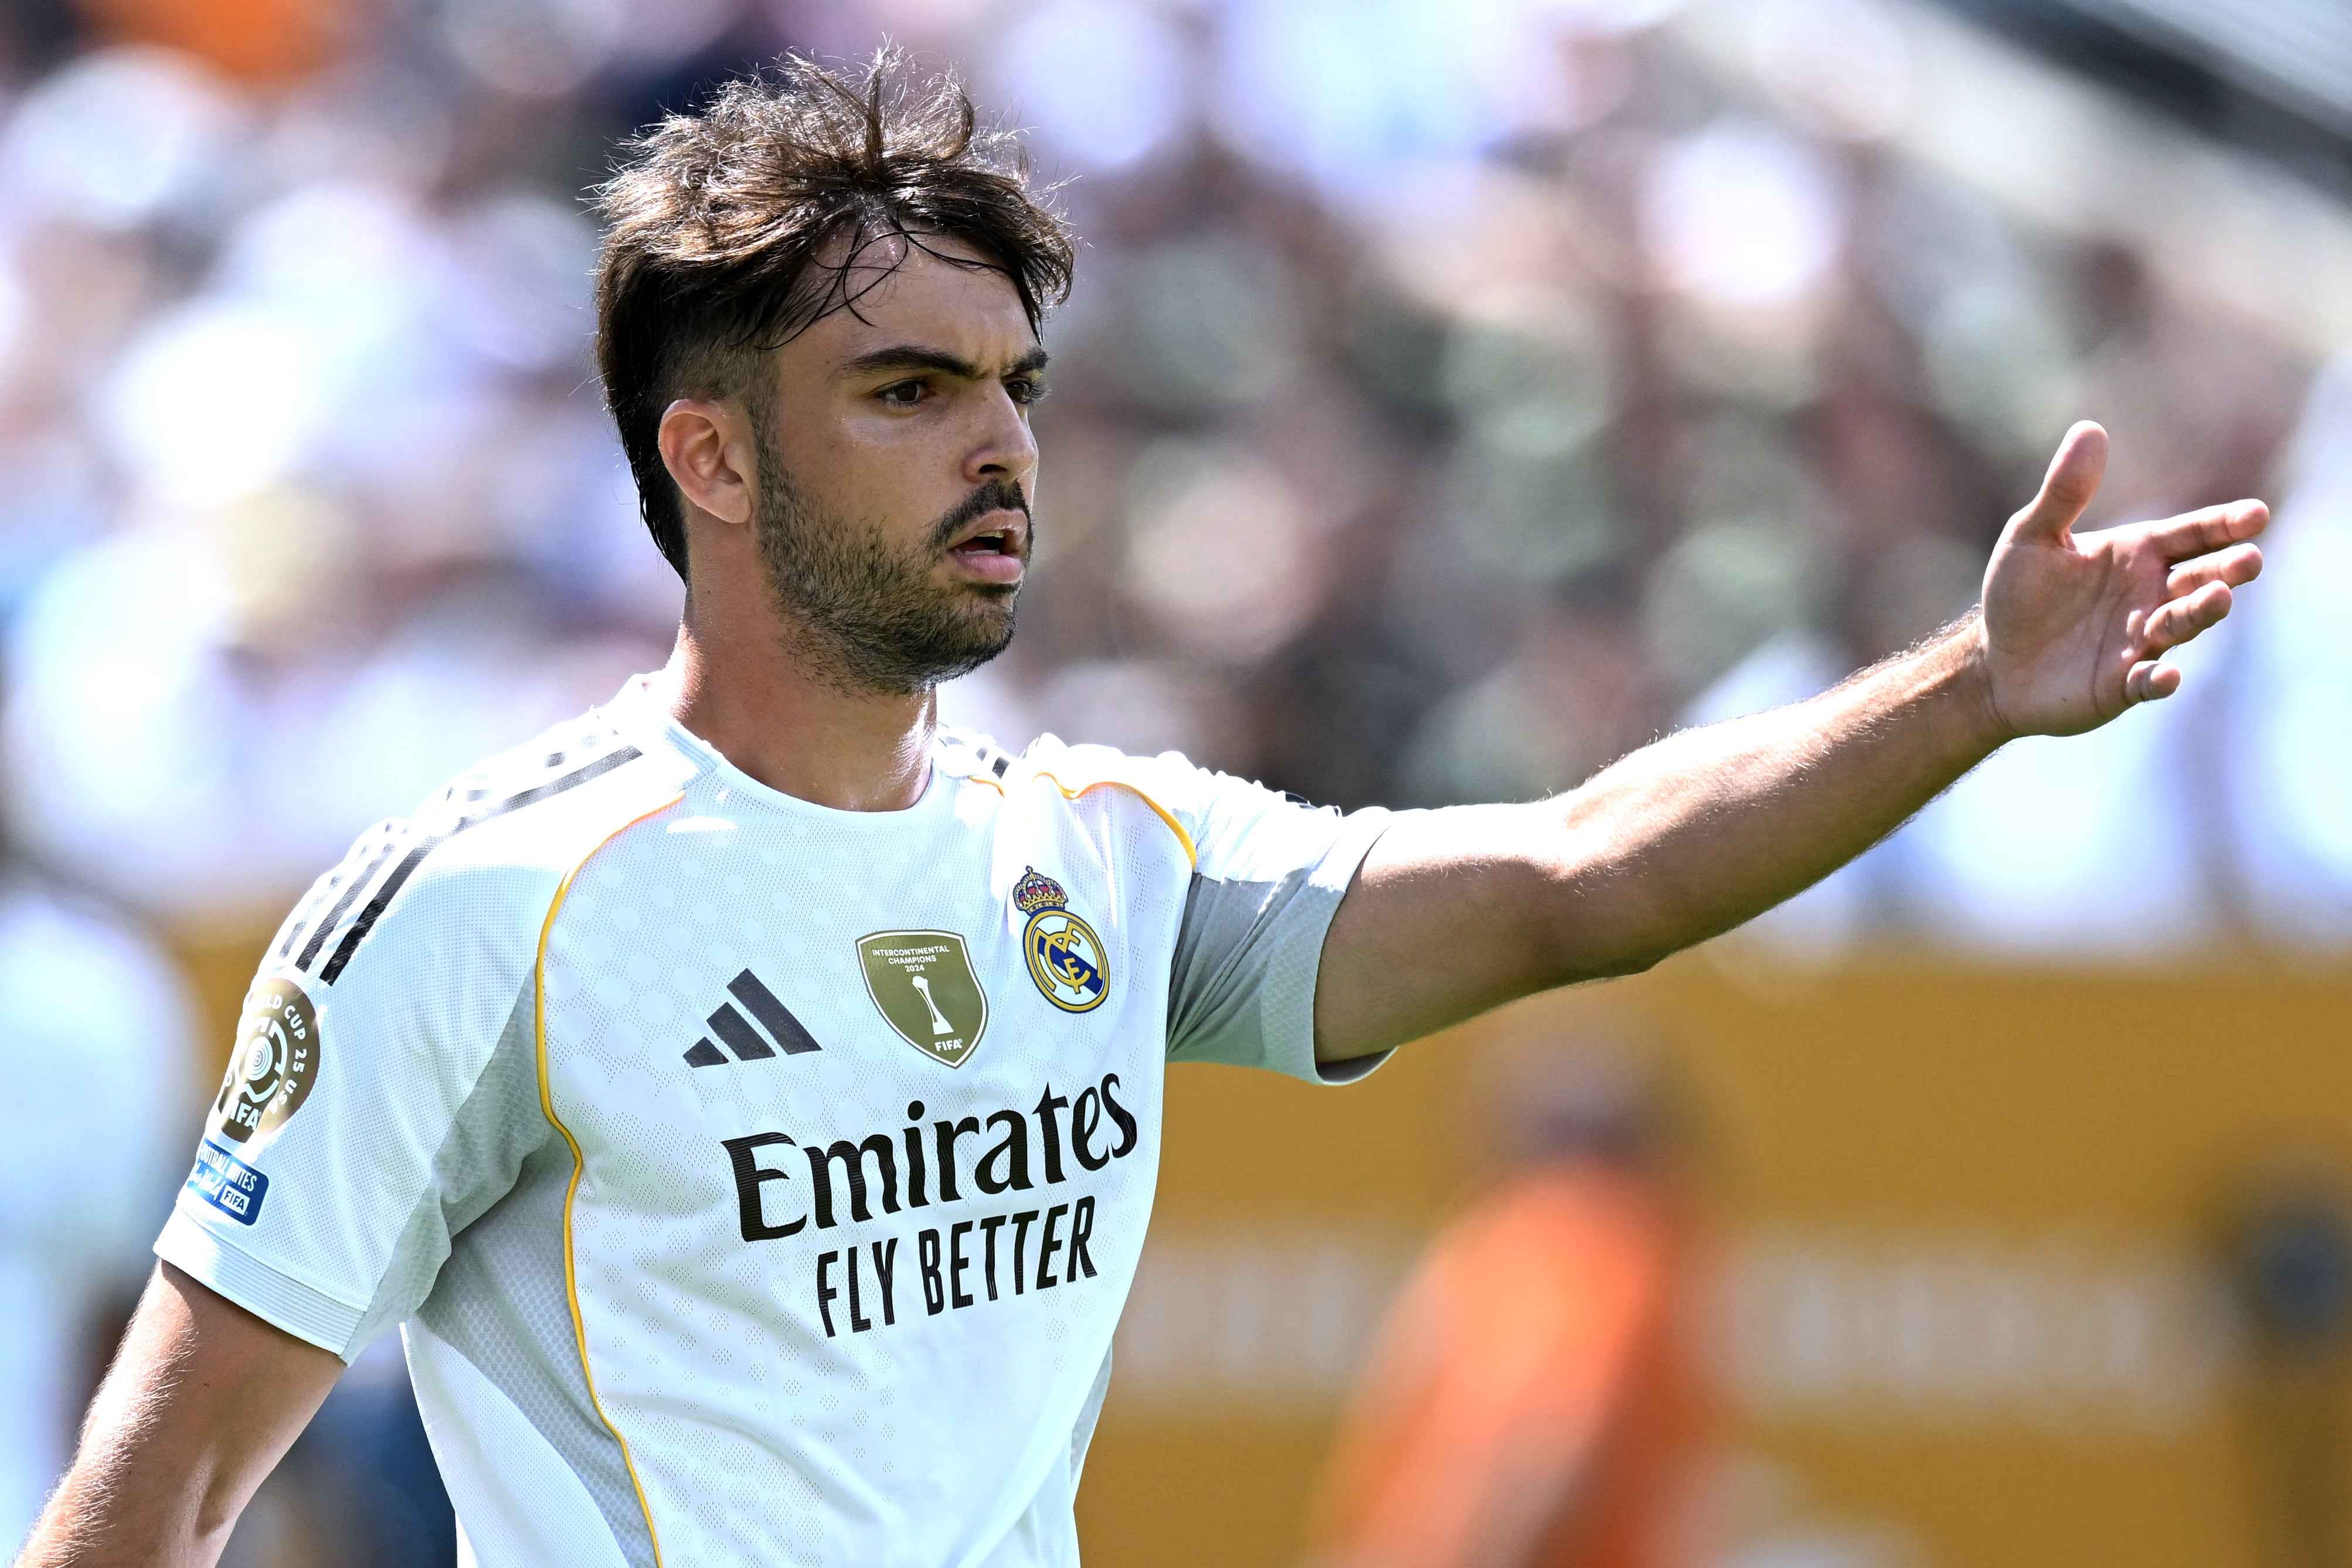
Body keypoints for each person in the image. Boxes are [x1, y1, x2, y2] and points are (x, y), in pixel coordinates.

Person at [17, 50, 2267, 1568]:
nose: (998, 447)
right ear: (707, 456)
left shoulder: (1105, 852)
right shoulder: (474, 908)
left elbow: (1595, 871)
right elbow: (156, 1496)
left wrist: (1967, 692)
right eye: (905, 390)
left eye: (1015, 387)